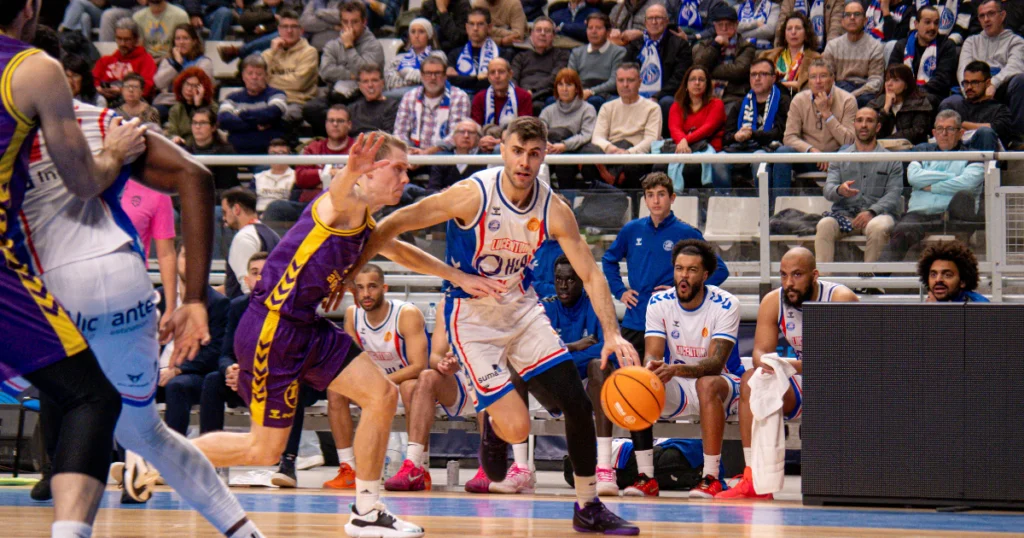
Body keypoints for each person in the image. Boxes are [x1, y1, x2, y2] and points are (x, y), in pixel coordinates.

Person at [190, 132, 500, 538]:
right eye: (398, 168)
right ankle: (163, 455)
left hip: (307, 327)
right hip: (273, 328)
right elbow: (336, 196)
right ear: (369, 170)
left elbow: (398, 250)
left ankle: (367, 511)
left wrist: (457, 276)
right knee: (263, 449)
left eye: (407, 170)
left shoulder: (365, 220)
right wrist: (350, 170)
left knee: (381, 395)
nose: (406, 177)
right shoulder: (344, 201)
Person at [348, 118, 641, 534]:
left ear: (544, 156)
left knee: (577, 402)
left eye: (534, 154)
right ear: (502, 150)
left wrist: (611, 332)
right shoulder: (472, 194)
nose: (525, 162)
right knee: (518, 427)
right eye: (517, 151)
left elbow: (591, 274)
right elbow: (395, 225)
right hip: (471, 318)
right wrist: (351, 269)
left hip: (519, 307)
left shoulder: (553, 208)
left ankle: (588, 506)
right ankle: (495, 425)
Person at [0, 1, 145, 533]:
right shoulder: (34, 68)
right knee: (91, 398)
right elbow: (85, 182)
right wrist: (115, 151)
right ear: (31, 9)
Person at [714, 247, 858, 500]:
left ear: (815, 275)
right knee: (754, 381)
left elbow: (842, 360)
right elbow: (760, 352)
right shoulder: (773, 301)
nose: (789, 282)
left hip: (843, 384)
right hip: (804, 379)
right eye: (783, 275)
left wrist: (786, 363)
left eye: (797, 275)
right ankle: (754, 478)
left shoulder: (840, 298)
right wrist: (771, 364)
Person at [630, 239, 745, 498]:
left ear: (705, 275)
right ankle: (646, 477)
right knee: (639, 383)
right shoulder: (659, 301)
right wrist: (652, 367)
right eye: (679, 268)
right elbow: (653, 353)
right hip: (681, 385)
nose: (683, 276)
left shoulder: (726, 304)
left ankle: (712, 477)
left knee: (707, 384)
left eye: (692, 270)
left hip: (723, 385)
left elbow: (715, 364)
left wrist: (674, 370)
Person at [601, 173, 728, 381]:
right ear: (644, 199)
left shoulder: (686, 232)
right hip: (635, 318)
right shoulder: (632, 229)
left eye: (661, 194)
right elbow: (608, 260)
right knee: (626, 380)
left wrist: (681, 290)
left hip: (670, 322)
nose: (656, 200)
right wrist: (620, 291)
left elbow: (720, 269)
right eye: (650, 195)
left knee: (661, 380)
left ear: (672, 198)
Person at [331, 265, 430, 489]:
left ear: (384, 288)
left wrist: (381, 382)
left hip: (405, 383)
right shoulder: (352, 315)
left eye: (372, 287)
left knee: (411, 387)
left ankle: (419, 467)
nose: (366, 294)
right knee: (336, 389)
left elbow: (418, 366)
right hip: (374, 385)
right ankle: (348, 468)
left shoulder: (406, 314)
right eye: (360, 288)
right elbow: (351, 364)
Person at [542, 255, 621, 496]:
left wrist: (561, 352)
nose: (563, 286)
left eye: (570, 280)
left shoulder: (597, 305)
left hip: (587, 380)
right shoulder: (546, 306)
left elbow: (607, 348)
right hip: (554, 381)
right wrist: (575, 347)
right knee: (518, 367)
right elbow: (539, 352)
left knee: (600, 366)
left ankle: (604, 466)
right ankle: (521, 468)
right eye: (559, 279)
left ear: (583, 282)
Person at [385, 312, 486, 492]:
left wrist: (462, 362)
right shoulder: (447, 305)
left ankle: (489, 467)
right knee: (424, 378)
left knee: (487, 382)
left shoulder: (497, 303)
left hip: (491, 376)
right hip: (461, 382)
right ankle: (415, 466)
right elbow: (435, 357)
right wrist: (444, 364)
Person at [880, 111, 984, 262]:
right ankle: (878, 274)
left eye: (950, 129)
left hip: (954, 216)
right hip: (920, 213)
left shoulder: (974, 156)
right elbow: (914, 178)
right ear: (934, 133)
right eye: (940, 129)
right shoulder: (923, 151)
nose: (944, 134)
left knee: (963, 196)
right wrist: (952, 176)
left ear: (960, 133)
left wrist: (931, 186)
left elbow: (967, 183)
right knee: (901, 231)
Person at [158, 244, 231, 438]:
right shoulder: (158, 297)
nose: (189, 262)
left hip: (193, 374)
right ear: (176, 260)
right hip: (155, 372)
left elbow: (215, 351)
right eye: (184, 256)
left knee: (177, 386)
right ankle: (125, 454)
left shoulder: (218, 303)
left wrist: (178, 370)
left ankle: (173, 452)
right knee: (125, 387)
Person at [815, 107, 904, 265]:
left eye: (869, 121)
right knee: (825, 224)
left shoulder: (892, 159)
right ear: (854, 125)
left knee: (879, 227)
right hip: (845, 215)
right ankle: (823, 278)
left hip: (878, 215)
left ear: (877, 127)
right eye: (859, 120)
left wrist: (871, 211)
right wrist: (839, 190)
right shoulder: (840, 158)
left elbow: (894, 194)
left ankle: (870, 279)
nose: (863, 125)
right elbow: (828, 190)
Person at [200, 253, 268, 437]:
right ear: (246, 280)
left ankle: (287, 453)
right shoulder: (237, 307)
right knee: (214, 380)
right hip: (244, 382)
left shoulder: (289, 307)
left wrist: (250, 374)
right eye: (255, 272)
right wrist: (230, 369)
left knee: (292, 384)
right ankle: (210, 449)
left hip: (275, 379)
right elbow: (225, 354)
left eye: (266, 272)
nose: (260, 278)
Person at [946, 0, 1024, 145]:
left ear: (1002, 15)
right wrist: (971, 88)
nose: (986, 19)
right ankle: (948, 145)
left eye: (991, 14)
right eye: (982, 16)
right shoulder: (971, 41)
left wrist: (993, 83)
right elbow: (963, 69)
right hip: (972, 88)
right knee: (949, 102)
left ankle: (1016, 139)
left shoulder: (1016, 41)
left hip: (1001, 88)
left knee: (1020, 81)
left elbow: (1015, 66)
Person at [773, 59, 856, 194]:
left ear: (832, 79)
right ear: (809, 81)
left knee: (847, 150)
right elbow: (789, 137)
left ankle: (846, 202)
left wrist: (827, 114)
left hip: (836, 158)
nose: (818, 81)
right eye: (813, 77)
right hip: (809, 157)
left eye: (823, 76)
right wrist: (811, 151)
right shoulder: (799, 100)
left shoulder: (848, 100)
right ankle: (778, 204)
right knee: (783, 152)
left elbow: (849, 140)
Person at [268, 105, 355, 224]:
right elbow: (300, 178)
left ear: (349, 124)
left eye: (340, 121)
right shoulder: (313, 148)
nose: (335, 124)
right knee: (276, 207)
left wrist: (316, 181)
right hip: (309, 206)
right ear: (326, 124)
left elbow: (358, 180)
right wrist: (326, 174)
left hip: (344, 208)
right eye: (331, 120)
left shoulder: (357, 148)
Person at [304, 0, 385, 128]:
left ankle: (341, 129)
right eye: (345, 22)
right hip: (336, 95)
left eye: (354, 22)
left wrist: (349, 47)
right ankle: (335, 132)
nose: (349, 27)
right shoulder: (333, 45)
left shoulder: (374, 46)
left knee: (352, 113)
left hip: (363, 96)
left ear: (364, 22)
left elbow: (366, 74)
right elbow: (325, 72)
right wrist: (351, 75)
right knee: (311, 109)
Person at [717, 58, 791, 185]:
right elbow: (726, 137)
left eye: (763, 74)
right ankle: (724, 196)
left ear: (773, 78)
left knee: (759, 158)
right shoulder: (740, 104)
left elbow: (780, 133)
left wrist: (752, 134)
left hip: (769, 148)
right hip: (742, 148)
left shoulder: (783, 101)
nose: (757, 78)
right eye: (753, 74)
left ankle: (764, 198)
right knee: (718, 160)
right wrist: (736, 136)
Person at [589, 63, 663, 189]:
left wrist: (628, 153)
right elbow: (597, 137)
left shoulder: (653, 108)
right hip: (610, 155)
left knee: (631, 161)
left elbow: (651, 140)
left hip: (635, 157)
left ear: (640, 82)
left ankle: (611, 184)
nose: (625, 85)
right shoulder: (607, 107)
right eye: (621, 80)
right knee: (587, 153)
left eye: (630, 80)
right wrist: (612, 149)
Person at [624, 3, 692, 126]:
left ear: (666, 21)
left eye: (658, 18)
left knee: (667, 103)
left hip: (665, 94)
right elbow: (625, 71)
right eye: (650, 18)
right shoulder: (635, 44)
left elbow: (680, 77)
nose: (654, 22)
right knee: (613, 101)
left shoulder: (680, 44)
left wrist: (656, 96)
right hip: (636, 92)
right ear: (645, 22)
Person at [120, 178, 177, 325]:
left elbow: (166, 254)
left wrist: (170, 308)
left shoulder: (156, 191)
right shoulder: (85, 183)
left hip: (131, 290)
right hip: (84, 288)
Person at [394, 56, 472, 155]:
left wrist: (428, 152)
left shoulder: (459, 97)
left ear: (445, 76)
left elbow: (457, 134)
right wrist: (410, 151)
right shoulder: (409, 96)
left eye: (437, 73)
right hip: (413, 154)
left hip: (445, 155)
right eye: (428, 73)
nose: (433, 78)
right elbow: (399, 132)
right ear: (421, 76)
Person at [668, 66, 728, 190]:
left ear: (707, 84)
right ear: (686, 84)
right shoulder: (676, 106)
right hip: (683, 149)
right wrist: (682, 142)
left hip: (709, 149)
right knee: (658, 167)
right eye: (693, 79)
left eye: (701, 79)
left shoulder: (717, 104)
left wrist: (685, 140)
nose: (697, 83)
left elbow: (708, 128)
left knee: (691, 169)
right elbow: (675, 128)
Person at [887, 5, 958, 110]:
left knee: (919, 102)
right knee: (877, 101)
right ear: (916, 24)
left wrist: (915, 92)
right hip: (902, 92)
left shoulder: (946, 46)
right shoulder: (902, 45)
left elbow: (943, 80)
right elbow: (891, 74)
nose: (932, 27)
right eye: (927, 22)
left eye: (936, 23)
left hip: (932, 94)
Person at [539, 68, 599, 190]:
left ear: (577, 88)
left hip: (575, 153)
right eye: (560, 85)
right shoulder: (548, 111)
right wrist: (546, 144)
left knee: (564, 165)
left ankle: (567, 199)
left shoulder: (588, 109)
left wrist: (564, 146)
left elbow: (586, 135)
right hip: (550, 151)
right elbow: (539, 131)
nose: (564, 89)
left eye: (569, 85)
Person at [218, 54, 289, 155]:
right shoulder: (232, 98)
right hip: (236, 153)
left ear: (266, 76)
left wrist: (241, 114)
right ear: (243, 76)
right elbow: (223, 120)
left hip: (267, 154)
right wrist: (257, 124)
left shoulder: (277, 95)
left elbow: (272, 113)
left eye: (259, 74)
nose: (254, 77)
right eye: (250, 73)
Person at [220, 187, 281, 299]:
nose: (224, 218)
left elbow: (248, 287)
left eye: (225, 212)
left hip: (249, 307)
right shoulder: (273, 234)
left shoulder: (244, 237)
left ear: (236, 209)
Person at [939, 61, 1016, 149]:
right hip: (957, 152)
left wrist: (959, 124)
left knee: (985, 133)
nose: (969, 87)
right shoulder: (956, 107)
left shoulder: (999, 109)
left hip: (983, 152)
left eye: (975, 82)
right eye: (966, 83)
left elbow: (995, 128)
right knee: (925, 147)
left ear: (988, 83)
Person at [822, 1, 884, 108]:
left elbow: (876, 81)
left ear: (865, 21)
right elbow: (827, 78)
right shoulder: (832, 46)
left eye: (857, 14)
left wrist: (852, 96)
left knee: (870, 100)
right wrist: (841, 95)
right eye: (847, 15)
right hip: (839, 90)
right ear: (842, 21)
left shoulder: (875, 46)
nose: (852, 18)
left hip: (864, 92)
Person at [693, 4, 756, 110]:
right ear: (714, 25)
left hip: (732, 95)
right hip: (704, 93)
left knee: (730, 110)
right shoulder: (705, 44)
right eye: (720, 24)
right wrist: (716, 46)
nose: (724, 28)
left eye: (729, 24)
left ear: (736, 25)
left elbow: (738, 71)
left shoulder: (746, 46)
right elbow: (698, 67)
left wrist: (708, 69)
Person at [261, 8, 319, 123]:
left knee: (280, 119)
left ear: (301, 30)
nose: (289, 30)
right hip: (269, 100)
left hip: (296, 102)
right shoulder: (268, 53)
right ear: (279, 30)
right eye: (285, 27)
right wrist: (272, 52)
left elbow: (298, 83)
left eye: (294, 27)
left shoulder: (309, 52)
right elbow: (258, 80)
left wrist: (269, 79)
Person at [470, 58, 534, 153]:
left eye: (501, 72)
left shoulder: (523, 96)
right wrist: (481, 141)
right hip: (485, 144)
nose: (497, 76)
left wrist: (500, 141)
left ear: (510, 74)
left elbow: (525, 128)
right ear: (488, 77)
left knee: (498, 149)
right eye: (492, 72)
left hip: (515, 144)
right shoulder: (479, 97)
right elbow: (475, 128)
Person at [567, 12, 627, 110]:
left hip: (605, 95)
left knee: (593, 101)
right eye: (590, 28)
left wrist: (591, 92)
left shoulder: (619, 52)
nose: (593, 32)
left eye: (598, 28)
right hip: (580, 93)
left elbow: (614, 82)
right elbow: (570, 79)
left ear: (608, 32)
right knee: (552, 101)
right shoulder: (577, 52)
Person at [153, 23, 212, 120]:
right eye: (178, 39)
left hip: (192, 102)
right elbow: (159, 83)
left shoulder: (204, 62)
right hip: (168, 102)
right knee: (152, 114)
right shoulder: (169, 61)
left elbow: (204, 87)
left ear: (194, 41)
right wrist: (177, 64)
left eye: (185, 38)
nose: (181, 42)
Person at [511, 17, 571, 112]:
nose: (542, 34)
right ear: (531, 34)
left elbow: (554, 78)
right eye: (538, 30)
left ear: (553, 35)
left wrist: (532, 91)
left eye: (547, 31)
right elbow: (512, 78)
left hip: (545, 95)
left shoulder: (562, 55)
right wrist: (520, 94)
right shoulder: (520, 57)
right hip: (521, 95)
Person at [93, 18, 157, 105]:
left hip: (131, 103)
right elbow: (92, 81)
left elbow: (146, 88)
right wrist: (99, 89)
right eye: (119, 39)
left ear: (136, 40)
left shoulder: (146, 60)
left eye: (127, 40)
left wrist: (121, 91)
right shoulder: (105, 60)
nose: (122, 43)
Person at [868, 64, 933, 146]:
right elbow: (870, 132)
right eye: (887, 80)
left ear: (906, 85)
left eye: (896, 80)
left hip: (910, 149)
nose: (889, 84)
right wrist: (885, 109)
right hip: (879, 150)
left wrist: (887, 140)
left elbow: (918, 132)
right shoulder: (875, 104)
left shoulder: (920, 103)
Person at [759, 12, 821, 96]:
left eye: (798, 28)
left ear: (806, 34)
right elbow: (760, 83)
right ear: (784, 34)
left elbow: (815, 86)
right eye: (789, 29)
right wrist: (792, 84)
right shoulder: (767, 56)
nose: (793, 32)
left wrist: (778, 84)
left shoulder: (816, 59)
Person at [385, 18, 448, 100]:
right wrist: (417, 78)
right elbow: (390, 82)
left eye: (421, 32)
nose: (416, 36)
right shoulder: (398, 58)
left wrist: (404, 73)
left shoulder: (438, 56)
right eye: (413, 32)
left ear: (429, 35)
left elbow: (432, 79)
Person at [446, 8, 502, 97]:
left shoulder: (501, 54)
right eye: (472, 24)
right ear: (467, 27)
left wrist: (462, 78)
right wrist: (478, 78)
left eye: (480, 24)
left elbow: (495, 82)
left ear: (489, 27)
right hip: (459, 98)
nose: (475, 28)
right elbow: (451, 80)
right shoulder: (455, 54)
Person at [423, 119, 486, 194]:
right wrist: (442, 195)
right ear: (453, 137)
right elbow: (431, 189)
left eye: (471, 133)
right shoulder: (441, 158)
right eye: (461, 132)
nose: (466, 136)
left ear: (478, 138)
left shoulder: (485, 160)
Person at [182, 108, 239, 190]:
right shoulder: (185, 152)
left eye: (203, 123)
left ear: (213, 127)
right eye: (194, 123)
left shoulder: (226, 152)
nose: (197, 127)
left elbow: (226, 186)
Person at [918, 240, 989, 302]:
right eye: (933, 275)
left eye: (947, 275)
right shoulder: (930, 303)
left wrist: (937, 310)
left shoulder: (979, 306)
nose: (938, 279)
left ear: (963, 281)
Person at [165, 67, 218, 143]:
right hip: (182, 147)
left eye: (194, 86)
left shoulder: (212, 107)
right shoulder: (176, 109)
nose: (189, 89)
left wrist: (198, 106)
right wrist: (175, 138)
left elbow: (208, 132)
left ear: (202, 89)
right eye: (187, 84)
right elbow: (172, 133)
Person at [349, 64, 400, 136]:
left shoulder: (393, 106)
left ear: (382, 83)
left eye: (374, 80)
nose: (370, 85)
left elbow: (388, 135)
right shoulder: (352, 109)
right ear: (359, 86)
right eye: (365, 81)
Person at [777, 0, 845, 51]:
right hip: (792, 51)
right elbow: (781, 27)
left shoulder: (835, 1)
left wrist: (827, 54)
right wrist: (779, 51)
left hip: (823, 52)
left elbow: (835, 30)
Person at [254, 139, 297, 214]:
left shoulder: (296, 177)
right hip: (258, 214)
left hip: (283, 216)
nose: (277, 157)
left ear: (289, 155)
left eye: (281, 153)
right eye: (273, 153)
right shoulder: (257, 177)